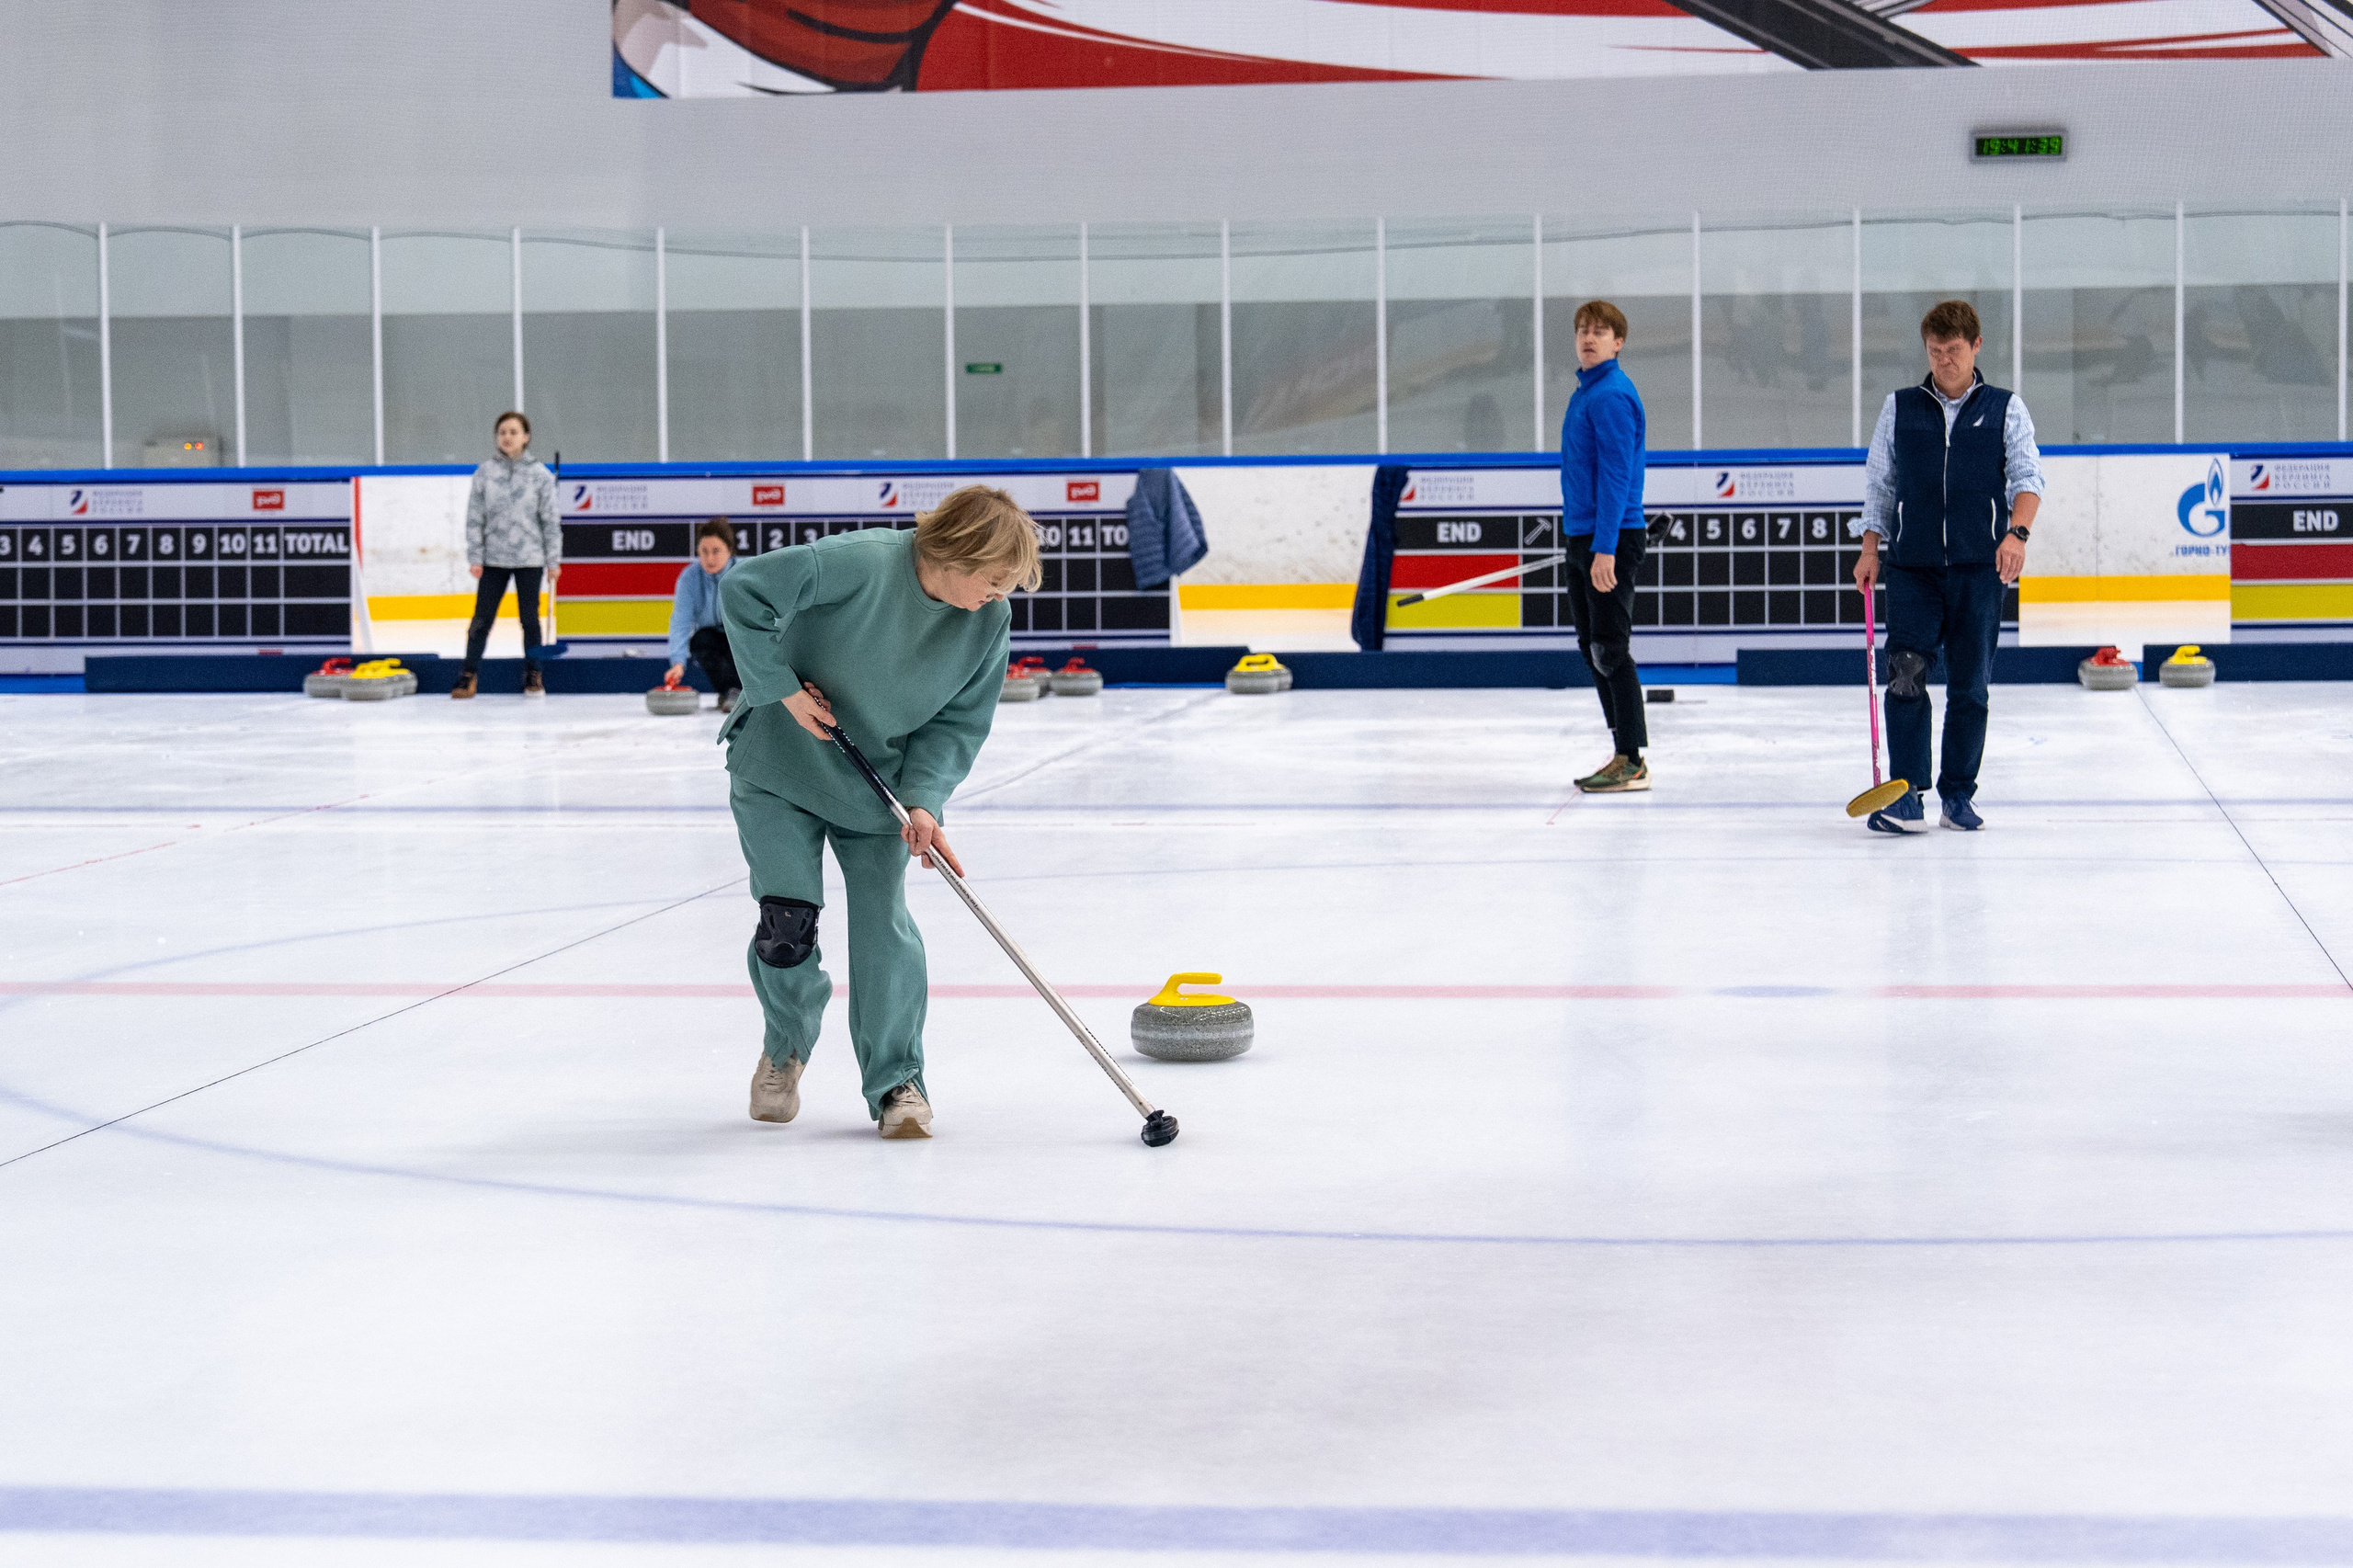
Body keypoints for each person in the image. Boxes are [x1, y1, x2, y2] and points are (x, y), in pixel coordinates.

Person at [719, 487, 1039, 1139]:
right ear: (960, 553)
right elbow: (745, 592)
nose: (1000, 594)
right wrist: (780, 690)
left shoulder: (986, 621)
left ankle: (898, 1081)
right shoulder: (861, 561)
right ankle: (784, 1051)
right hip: (779, 766)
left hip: (875, 790)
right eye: (996, 579)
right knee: (787, 923)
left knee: (883, 930)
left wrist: (924, 800)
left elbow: (959, 722)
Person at [1856, 299, 2045, 834]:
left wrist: (2017, 533)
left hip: (1978, 571)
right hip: (1913, 568)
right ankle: (1907, 793)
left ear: (1976, 347)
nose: (1944, 362)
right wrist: (1871, 549)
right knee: (1907, 675)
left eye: (1954, 351)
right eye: (1935, 352)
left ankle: (1957, 794)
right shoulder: (1900, 407)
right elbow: (1880, 486)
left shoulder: (2006, 408)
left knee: (1970, 687)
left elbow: (2028, 478)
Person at [1559, 300, 1650, 793]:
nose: (1589, 338)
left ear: (1619, 342)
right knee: (1593, 648)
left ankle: (1632, 758)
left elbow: (1617, 477)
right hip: (1585, 537)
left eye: (1600, 331)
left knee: (1611, 649)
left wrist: (1606, 547)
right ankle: (1622, 750)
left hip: (1604, 541)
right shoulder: (1585, 393)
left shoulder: (1611, 395)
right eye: (1582, 331)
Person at [452, 411, 562, 700]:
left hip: (530, 558)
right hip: (493, 559)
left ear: (526, 437)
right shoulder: (485, 472)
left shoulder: (540, 476)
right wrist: (476, 555)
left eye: (514, 432)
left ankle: (533, 673)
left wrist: (553, 560)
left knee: (529, 619)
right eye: (502, 432)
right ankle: (468, 674)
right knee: (481, 619)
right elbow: (474, 518)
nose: (507, 437)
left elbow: (550, 521)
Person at [666, 518, 742, 711]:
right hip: (713, 639)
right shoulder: (690, 578)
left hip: (743, 637)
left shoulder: (745, 573)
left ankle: (745, 692)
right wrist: (678, 663)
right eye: (704, 551)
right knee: (701, 640)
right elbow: (680, 621)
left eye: (716, 551)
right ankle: (729, 692)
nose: (710, 558)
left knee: (740, 640)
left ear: (729, 550)